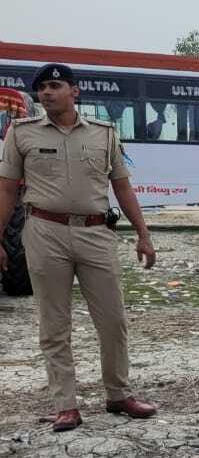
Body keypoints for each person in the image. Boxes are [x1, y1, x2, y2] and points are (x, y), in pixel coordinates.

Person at [0, 63, 158, 433]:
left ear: (75, 91)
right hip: (45, 231)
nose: (47, 93)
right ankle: (65, 405)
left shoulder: (104, 134)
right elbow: (6, 189)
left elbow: (122, 187)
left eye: (55, 86)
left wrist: (144, 234)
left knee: (113, 320)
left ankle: (118, 394)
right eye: (42, 88)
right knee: (54, 324)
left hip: (96, 232)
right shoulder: (21, 133)